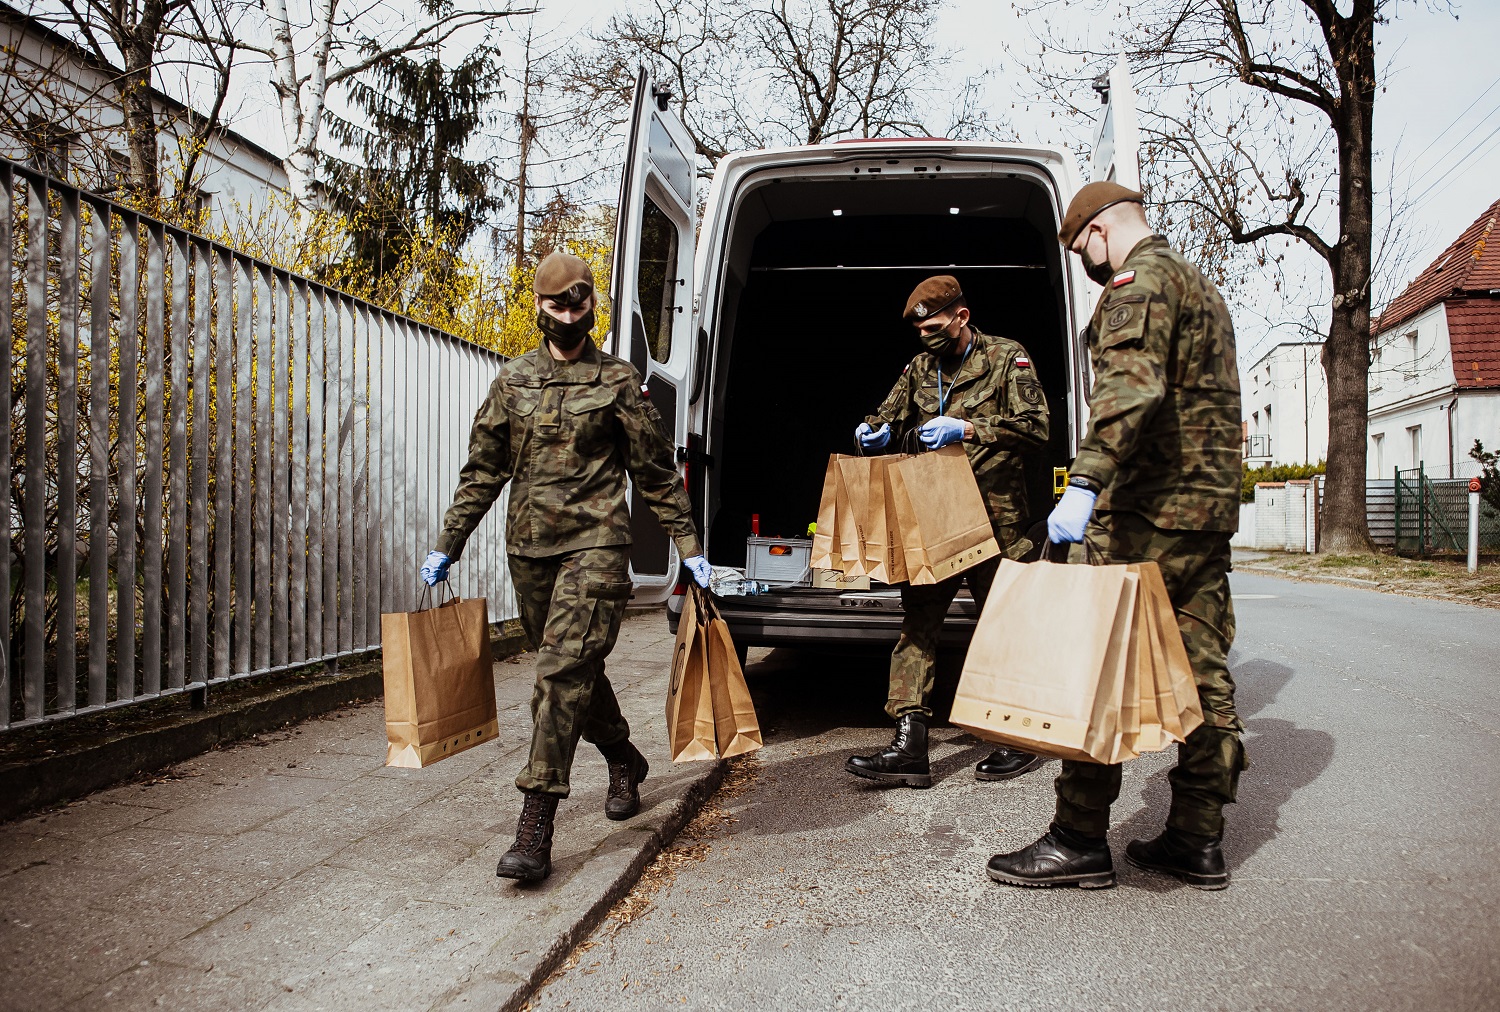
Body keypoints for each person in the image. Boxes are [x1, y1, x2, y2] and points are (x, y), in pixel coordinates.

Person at [421, 251, 712, 884]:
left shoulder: (618, 380)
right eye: (558, 305)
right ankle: (623, 756)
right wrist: (449, 542)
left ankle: (535, 822)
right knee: (574, 668)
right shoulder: (513, 382)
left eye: (580, 304)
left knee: (557, 673)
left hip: (598, 546)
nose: (570, 315)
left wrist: (690, 547)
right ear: (538, 308)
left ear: (592, 307)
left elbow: (655, 473)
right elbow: (484, 472)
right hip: (530, 552)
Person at [986, 182, 1245, 891]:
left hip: (1144, 515)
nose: (1087, 266)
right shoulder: (1200, 286)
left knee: (1095, 668)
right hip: (1204, 515)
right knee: (1201, 671)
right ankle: (1197, 838)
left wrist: (1087, 481)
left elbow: (1130, 388)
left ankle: (1078, 839)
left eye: (1081, 251)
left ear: (1099, 231)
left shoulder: (1138, 285)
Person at [844, 276, 1050, 789]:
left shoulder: (1007, 358)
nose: (926, 338)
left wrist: (971, 429)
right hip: (937, 515)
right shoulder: (920, 367)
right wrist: (872, 430)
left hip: (995, 520)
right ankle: (909, 745)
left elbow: (1038, 427)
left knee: (1003, 625)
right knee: (917, 625)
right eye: (920, 331)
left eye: (934, 327)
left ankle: (1017, 737)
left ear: (961, 316)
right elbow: (886, 413)